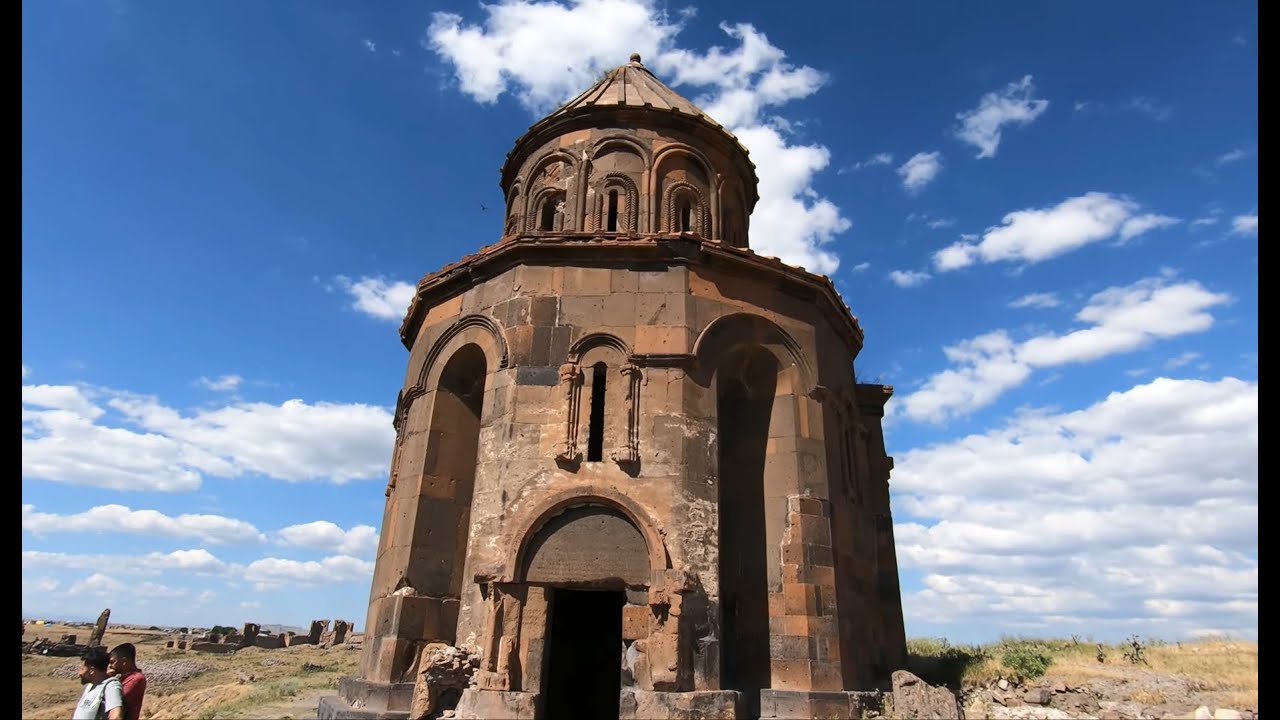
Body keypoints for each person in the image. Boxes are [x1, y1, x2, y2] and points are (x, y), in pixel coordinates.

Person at [73, 646, 124, 720]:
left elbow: (116, 717)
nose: (79, 673)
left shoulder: (111, 686)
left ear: (92, 670)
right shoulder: (91, 685)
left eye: (82, 669)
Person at [108, 643, 147, 720]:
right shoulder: (123, 677)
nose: (110, 666)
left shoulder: (136, 679)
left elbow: (117, 698)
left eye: (113, 662)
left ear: (124, 661)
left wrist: (106, 678)